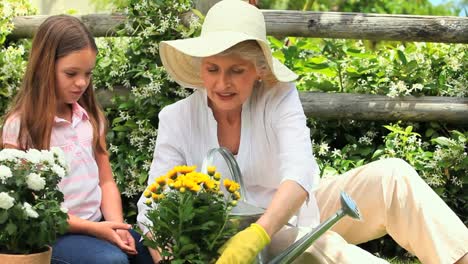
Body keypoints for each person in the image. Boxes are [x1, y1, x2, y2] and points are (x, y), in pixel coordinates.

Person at [136, 0, 468, 263]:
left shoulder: (279, 96)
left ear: (260, 71)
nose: (222, 83)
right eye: (212, 69)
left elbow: (298, 177)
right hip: (231, 241)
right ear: (200, 67)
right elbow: (152, 209)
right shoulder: (176, 118)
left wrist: (257, 235)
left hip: (295, 212)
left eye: (237, 70)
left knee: (393, 176)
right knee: (313, 244)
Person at [1, 15, 154, 264]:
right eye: (71, 73)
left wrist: (117, 226)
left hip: (98, 225)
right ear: (44, 67)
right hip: (53, 235)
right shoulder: (21, 126)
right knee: (110, 262)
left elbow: (105, 181)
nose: (81, 82)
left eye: (88, 73)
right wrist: (98, 230)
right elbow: (30, 205)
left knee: (150, 250)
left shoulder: (90, 118)